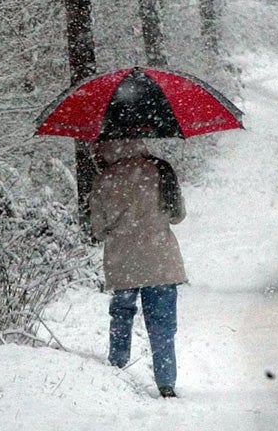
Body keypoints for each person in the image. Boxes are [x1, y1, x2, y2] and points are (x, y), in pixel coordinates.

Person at [88, 138, 187, 398]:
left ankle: (118, 369)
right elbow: (178, 216)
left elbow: (97, 230)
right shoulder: (160, 170)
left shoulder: (103, 180)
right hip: (160, 261)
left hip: (123, 263)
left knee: (121, 316)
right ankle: (166, 383)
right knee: (162, 323)